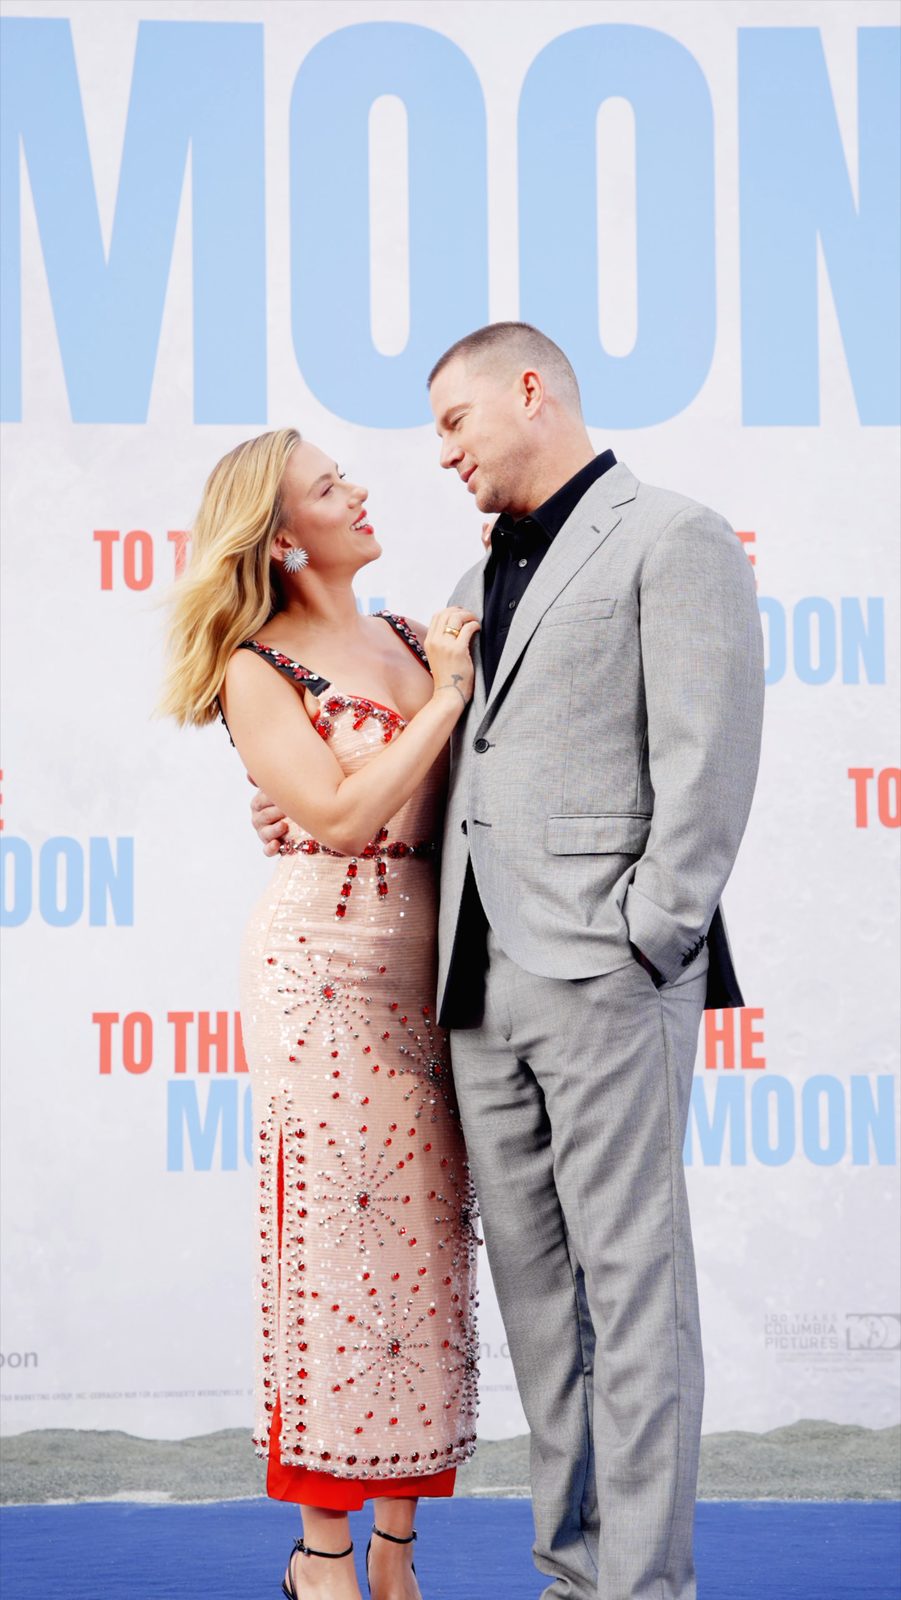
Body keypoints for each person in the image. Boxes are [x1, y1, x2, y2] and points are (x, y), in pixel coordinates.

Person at [253, 323, 765, 1600]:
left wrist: (648, 937)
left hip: (604, 976)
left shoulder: (673, 534)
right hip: (469, 997)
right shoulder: (477, 575)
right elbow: (457, 765)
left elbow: (708, 763)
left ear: (527, 392)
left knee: (631, 1301)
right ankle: (570, 1575)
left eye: (452, 424)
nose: (440, 455)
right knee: (544, 1313)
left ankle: (637, 1588)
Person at [161, 428, 481, 1600]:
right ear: (283, 535)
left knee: (423, 1263)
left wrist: (441, 692)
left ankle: (396, 1558)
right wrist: (444, 703)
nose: (360, 491)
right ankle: (324, 1560)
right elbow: (342, 819)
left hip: (431, 977)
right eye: (330, 486)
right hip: (322, 978)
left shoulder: (409, 635)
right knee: (333, 1259)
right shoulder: (259, 664)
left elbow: (445, 804)